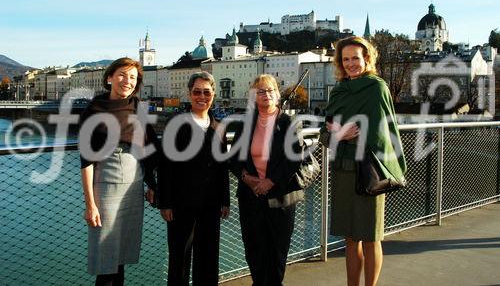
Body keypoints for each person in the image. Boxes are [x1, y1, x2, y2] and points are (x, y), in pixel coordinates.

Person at [320, 36, 406, 286]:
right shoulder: (338, 92)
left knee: (370, 237)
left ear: (366, 58)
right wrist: (339, 135)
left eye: (355, 58)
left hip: (370, 170)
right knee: (349, 238)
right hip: (343, 171)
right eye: (345, 59)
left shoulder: (377, 88)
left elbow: (387, 131)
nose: (350, 64)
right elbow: (324, 135)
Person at [79, 57, 159, 285]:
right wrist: (90, 205)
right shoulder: (94, 112)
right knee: (106, 260)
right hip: (107, 187)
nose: (128, 81)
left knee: (121, 256)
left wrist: (152, 185)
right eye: (122, 75)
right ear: (109, 78)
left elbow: (150, 148)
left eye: (133, 77)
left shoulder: (137, 108)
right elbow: (86, 162)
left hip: (134, 185)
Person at [156, 71, 230, 286]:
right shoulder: (176, 124)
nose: (202, 96)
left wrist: (225, 200)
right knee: (179, 258)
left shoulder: (219, 127)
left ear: (213, 94)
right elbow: (165, 166)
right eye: (197, 92)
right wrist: (165, 202)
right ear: (189, 94)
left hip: (211, 204)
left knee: (208, 259)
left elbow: (221, 166)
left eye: (206, 92)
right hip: (181, 204)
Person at [230, 74, 304, 286]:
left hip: (281, 198)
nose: (266, 95)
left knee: (277, 251)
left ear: (277, 95)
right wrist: (246, 178)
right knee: (254, 249)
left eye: (270, 90)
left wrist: (269, 181)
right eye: (260, 91)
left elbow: (294, 159)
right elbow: (233, 158)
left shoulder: (289, 123)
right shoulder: (246, 124)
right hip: (250, 197)